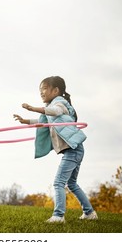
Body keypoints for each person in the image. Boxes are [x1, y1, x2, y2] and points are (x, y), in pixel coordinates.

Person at [13, 76, 97, 223]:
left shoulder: (60, 103)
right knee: (71, 184)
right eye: (40, 90)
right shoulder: (51, 108)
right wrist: (25, 121)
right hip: (75, 149)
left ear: (56, 90)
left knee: (58, 183)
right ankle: (89, 213)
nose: (41, 92)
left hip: (73, 150)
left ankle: (58, 216)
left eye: (44, 88)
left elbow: (55, 111)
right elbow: (42, 121)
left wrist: (32, 108)